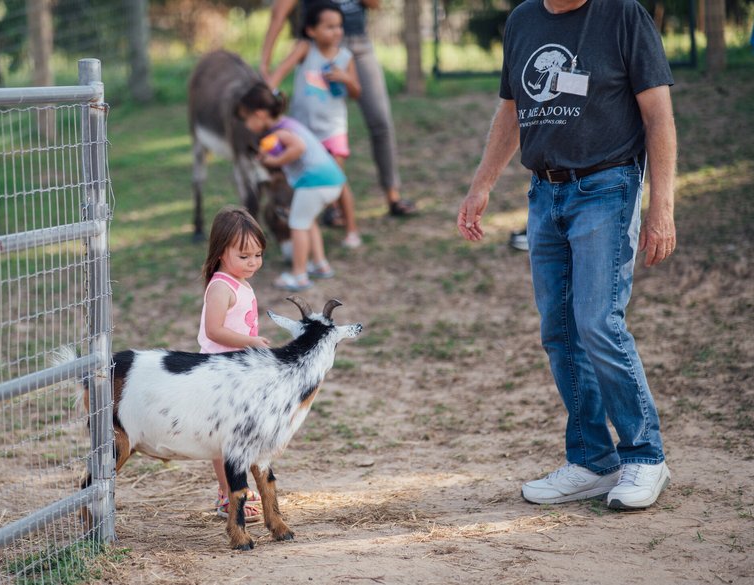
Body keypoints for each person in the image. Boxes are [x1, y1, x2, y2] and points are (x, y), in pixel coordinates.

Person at [456, 0, 677, 509]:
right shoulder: (523, 20)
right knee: (559, 331)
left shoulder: (624, 15)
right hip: (545, 192)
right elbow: (512, 110)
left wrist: (661, 208)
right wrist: (481, 185)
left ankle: (644, 457)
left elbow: (658, 117)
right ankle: (593, 461)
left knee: (599, 321)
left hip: (608, 185)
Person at [261, 0, 417, 218]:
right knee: (312, 135)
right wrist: (265, 65)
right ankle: (329, 206)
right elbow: (279, 12)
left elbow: (375, 4)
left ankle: (392, 195)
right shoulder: (306, 46)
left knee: (380, 122)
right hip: (315, 45)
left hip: (357, 44)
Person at [267, 0, 363, 249]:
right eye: (329, 27)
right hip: (305, 131)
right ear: (311, 30)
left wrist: (345, 78)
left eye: (339, 26)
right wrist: (268, 92)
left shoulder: (345, 57)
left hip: (333, 130)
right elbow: (281, 71)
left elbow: (356, 92)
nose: (336, 32)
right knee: (306, 181)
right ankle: (308, 232)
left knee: (337, 180)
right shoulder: (305, 49)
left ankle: (351, 229)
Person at [198, 206, 272, 521]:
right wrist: (251, 343)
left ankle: (236, 487)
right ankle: (228, 492)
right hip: (218, 373)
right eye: (244, 256)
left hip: (237, 372)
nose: (253, 262)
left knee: (240, 434)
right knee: (223, 438)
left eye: (257, 255)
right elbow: (214, 331)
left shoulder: (240, 281)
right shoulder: (220, 286)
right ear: (220, 252)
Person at [237, 82, 345, 291]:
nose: (246, 125)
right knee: (308, 221)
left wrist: (274, 162)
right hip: (331, 180)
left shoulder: (280, 131)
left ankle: (299, 275)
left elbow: (299, 147)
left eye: (246, 119)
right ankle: (320, 264)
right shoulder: (287, 124)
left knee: (297, 224)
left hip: (315, 182)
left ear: (259, 115)